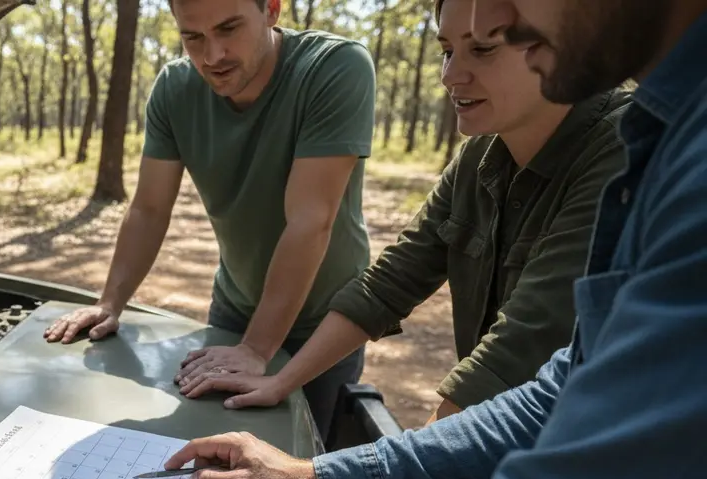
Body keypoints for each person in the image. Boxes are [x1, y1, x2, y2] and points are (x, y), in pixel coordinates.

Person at [64, 0, 707, 479]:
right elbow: (556, 390)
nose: (457, 67)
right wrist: (317, 475)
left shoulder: (670, 156)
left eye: (486, 43)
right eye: (446, 47)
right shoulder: (661, 136)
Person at [182, 0, 630, 430]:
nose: (451, 76)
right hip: (515, 449)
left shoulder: (626, 151)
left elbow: (517, 349)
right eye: (447, 51)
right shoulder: (483, 156)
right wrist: (279, 380)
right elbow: (390, 283)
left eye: (483, 49)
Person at [42, 0, 376, 443]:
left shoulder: (334, 67)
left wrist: (258, 349)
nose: (212, 56)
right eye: (192, 37)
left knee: (310, 464)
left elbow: (310, 220)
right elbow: (149, 208)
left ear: (271, 9)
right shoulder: (174, 89)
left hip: (327, 321)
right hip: (235, 307)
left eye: (229, 29)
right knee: (217, 450)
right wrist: (110, 302)